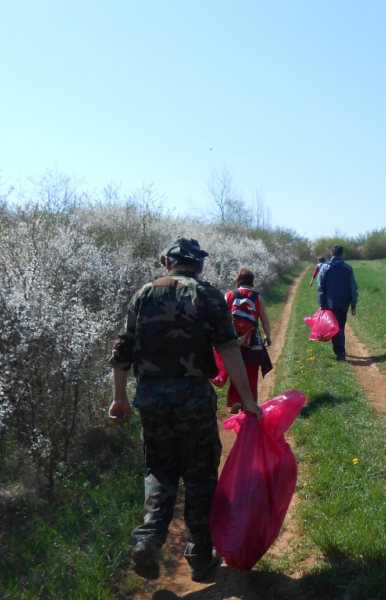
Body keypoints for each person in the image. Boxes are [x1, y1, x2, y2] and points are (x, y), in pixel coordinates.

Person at [108, 238, 262, 582]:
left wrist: (119, 399)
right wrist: (248, 399)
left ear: (167, 263)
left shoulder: (142, 295)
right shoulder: (208, 295)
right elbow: (228, 348)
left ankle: (148, 540)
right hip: (193, 398)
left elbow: (121, 351)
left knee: (160, 468)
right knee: (200, 475)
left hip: (150, 398)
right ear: (199, 265)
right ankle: (200, 557)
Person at [225, 268, 273, 413]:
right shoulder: (257, 297)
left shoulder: (229, 295)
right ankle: (250, 403)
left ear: (238, 280)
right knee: (251, 374)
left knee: (236, 372)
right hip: (252, 342)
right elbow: (264, 320)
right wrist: (267, 336)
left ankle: (235, 400)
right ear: (252, 281)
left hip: (233, 342)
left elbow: (222, 317)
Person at [316, 244, 358, 361]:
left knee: (335, 327)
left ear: (331, 255)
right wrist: (353, 304)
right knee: (340, 326)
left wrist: (322, 304)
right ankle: (340, 350)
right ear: (343, 255)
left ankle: (340, 352)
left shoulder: (325, 268)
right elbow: (353, 288)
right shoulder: (348, 268)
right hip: (344, 302)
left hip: (330, 303)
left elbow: (321, 287)